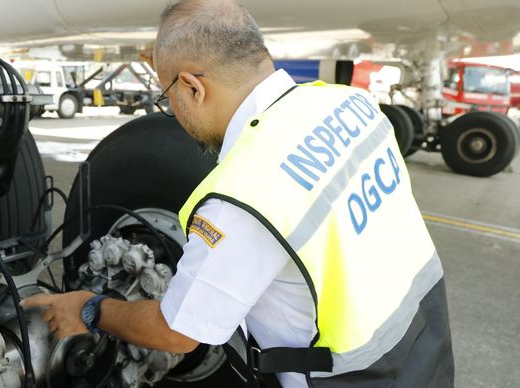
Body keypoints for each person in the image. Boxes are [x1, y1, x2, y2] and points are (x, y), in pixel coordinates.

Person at [22, 0, 455, 386]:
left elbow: (176, 332)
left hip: (353, 377)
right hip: (425, 340)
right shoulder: (348, 104)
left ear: (192, 87)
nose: (171, 109)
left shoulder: (243, 195)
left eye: (168, 94)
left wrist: (90, 307)